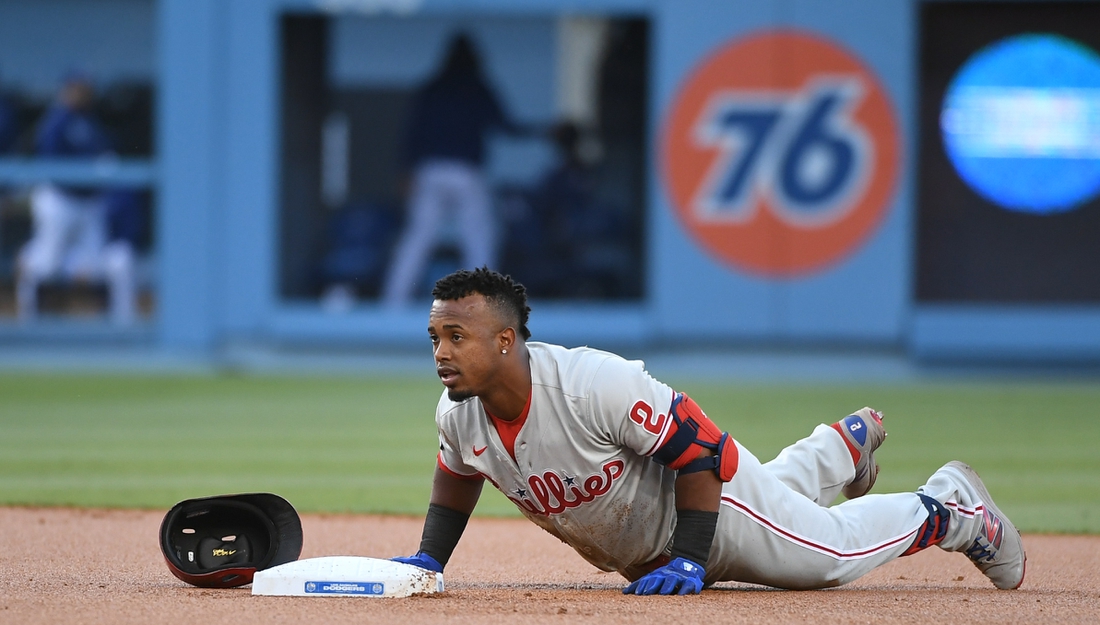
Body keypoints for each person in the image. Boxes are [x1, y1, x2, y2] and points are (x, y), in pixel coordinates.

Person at [392, 268, 1026, 595]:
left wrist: (692, 558)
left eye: (457, 336)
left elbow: (705, 450)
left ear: (506, 341)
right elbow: (458, 470)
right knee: (780, 508)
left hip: (711, 510)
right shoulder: (460, 412)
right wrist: (430, 559)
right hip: (669, 538)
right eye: (435, 337)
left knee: (827, 557)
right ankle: (837, 448)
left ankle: (949, 511)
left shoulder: (591, 384)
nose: (441, 352)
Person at [380, 33, 531, 308]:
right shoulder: (477, 87)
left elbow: (410, 135)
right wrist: (544, 132)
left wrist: (405, 171)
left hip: (431, 170)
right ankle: (484, 307)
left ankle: (392, 304)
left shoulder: (433, 87)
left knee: (418, 238)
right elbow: (506, 126)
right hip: (465, 171)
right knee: (478, 239)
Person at [16, 73, 136, 325]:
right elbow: (50, 166)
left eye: (85, 89)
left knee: (92, 267)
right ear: (67, 90)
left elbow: (105, 154)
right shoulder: (55, 122)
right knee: (46, 265)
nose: (83, 93)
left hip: (87, 203)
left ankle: (121, 330)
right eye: (77, 88)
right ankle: (27, 320)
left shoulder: (90, 121)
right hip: (59, 200)